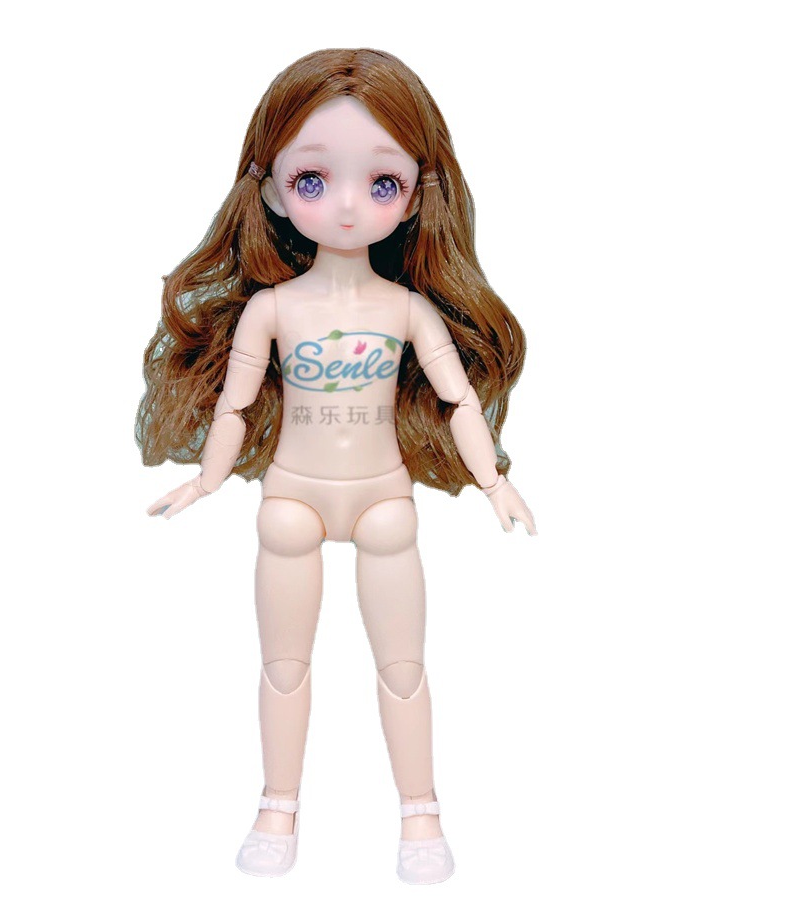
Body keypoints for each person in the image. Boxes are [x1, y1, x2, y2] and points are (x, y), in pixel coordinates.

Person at [137, 48, 536, 885]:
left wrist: (494, 480)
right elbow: (235, 407)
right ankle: (276, 806)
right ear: (272, 191)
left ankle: (420, 813)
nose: (349, 204)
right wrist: (206, 479)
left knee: (403, 669)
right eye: (314, 179)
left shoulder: (407, 308)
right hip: (292, 499)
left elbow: (460, 399)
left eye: (381, 182)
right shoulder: (272, 308)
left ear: (416, 194)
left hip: (384, 498)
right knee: (284, 668)